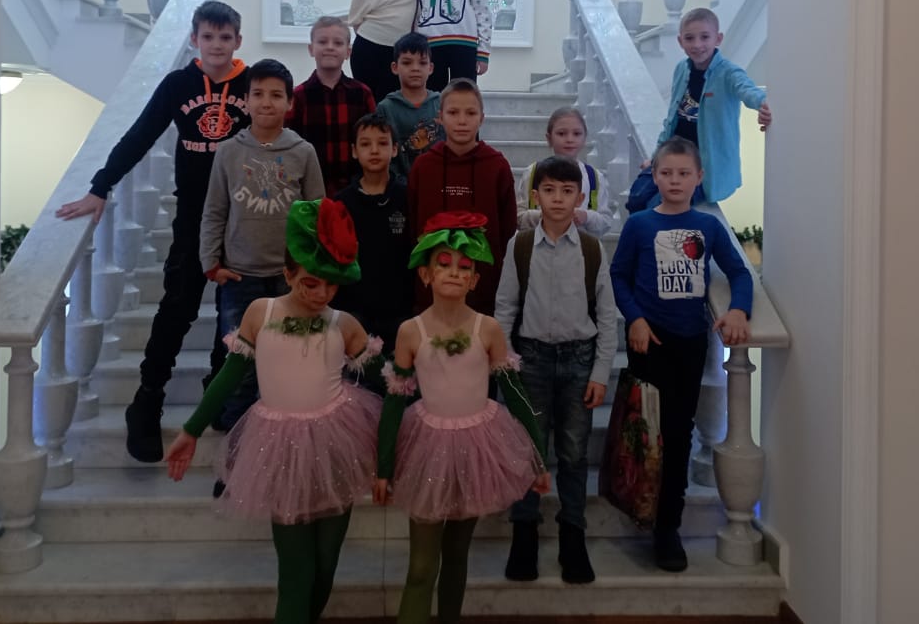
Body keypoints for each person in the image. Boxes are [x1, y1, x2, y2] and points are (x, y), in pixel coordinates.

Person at [167, 199, 382, 624]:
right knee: (297, 571)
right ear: (287, 273)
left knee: (324, 567)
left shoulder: (344, 324)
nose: (321, 295)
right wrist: (191, 430)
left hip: (336, 446)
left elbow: (388, 383)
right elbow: (229, 377)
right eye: (310, 283)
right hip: (281, 449)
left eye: (331, 286)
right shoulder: (260, 313)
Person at [55, 0, 250, 464]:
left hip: (243, 217)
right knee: (178, 307)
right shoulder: (178, 84)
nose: (216, 45)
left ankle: (218, 391)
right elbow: (141, 134)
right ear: (194, 40)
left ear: (237, 41)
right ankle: (147, 399)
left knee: (234, 310)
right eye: (208, 37)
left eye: (225, 37)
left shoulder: (251, 84)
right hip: (193, 218)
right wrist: (100, 186)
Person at [375, 212, 549, 624]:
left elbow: (515, 395)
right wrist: (383, 467)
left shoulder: (488, 329)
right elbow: (394, 403)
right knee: (422, 566)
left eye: (464, 267)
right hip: (428, 449)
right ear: (426, 274)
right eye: (444, 263)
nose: (454, 272)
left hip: (476, 449)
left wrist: (538, 456)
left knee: (456, 556)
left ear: (474, 280)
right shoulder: (411, 331)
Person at [609, 137, 752, 573]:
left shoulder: (708, 227)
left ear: (698, 178)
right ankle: (640, 505)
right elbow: (618, 276)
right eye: (667, 173)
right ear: (654, 176)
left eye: (684, 173)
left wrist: (738, 310)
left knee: (678, 435)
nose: (675, 180)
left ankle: (667, 527)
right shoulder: (639, 225)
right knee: (645, 432)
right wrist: (634, 318)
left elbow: (740, 272)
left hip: (690, 344)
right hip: (647, 341)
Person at [494, 156, 618, 584]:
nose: (558, 199)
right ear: (536, 196)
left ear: (580, 198)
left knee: (573, 452)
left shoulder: (591, 248)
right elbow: (505, 308)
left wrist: (599, 373)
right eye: (549, 190)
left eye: (567, 192)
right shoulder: (520, 245)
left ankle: (572, 535)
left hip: (579, 362)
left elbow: (607, 316)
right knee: (529, 449)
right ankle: (524, 533)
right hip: (530, 360)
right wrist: (507, 364)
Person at [201, 58, 326, 431]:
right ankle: (237, 448)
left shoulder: (303, 152)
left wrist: (312, 267)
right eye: (258, 94)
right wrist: (211, 262)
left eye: (275, 95)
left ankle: (281, 443)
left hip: (290, 280)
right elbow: (214, 211)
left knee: (288, 366)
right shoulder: (229, 152)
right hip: (240, 278)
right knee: (240, 370)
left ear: (290, 102)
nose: (266, 102)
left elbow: (318, 214)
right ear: (246, 100)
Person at [407, 78, 516, 315]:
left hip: (483, 287)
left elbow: (507, 230)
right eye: (453, 112)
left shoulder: (497, 166)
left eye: (470, 113)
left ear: (482, 118)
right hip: (431, 288)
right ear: (440, 117)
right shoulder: (423, 167)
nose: (462, 121)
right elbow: (413, 225)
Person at [655, 7, 772, 205]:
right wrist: (656, 156)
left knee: (662, 205)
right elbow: (671, 118)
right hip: (675, 156)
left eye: (705, 37)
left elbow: (747, 89)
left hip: (703, 169)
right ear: (680, 41)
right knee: (638, 197)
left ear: (718, 39)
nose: (697, 45)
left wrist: (763, 103)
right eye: (690, 38)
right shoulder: (681, 69)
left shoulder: (729, 73)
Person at [333, 112, 412, 387]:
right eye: (365, 144)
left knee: (399, 388)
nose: (374, 150)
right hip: (355, 312)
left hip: (401, 312)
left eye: (382, 143)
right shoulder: (341, 203)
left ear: (395, 148)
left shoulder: (408, 197)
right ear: (354, 151)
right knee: (358, 389)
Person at [287, 16, 376, 197]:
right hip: (311, 190)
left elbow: (373, 140)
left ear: (348, 52)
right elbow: (290, 145)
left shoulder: (363, 94)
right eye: (322, 42)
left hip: (356, 190)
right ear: (311, 49)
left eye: (338, 43)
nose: (330, 47)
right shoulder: (298, 96)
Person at [516, 106, 613, 237]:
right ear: (549, 138)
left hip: (581, 247)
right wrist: (543, 216)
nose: (569, 139)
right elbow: (518, 218)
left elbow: (606, 222)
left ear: (585, 138)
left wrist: (586, 216)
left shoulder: (594, 177)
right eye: (561, 134)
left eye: (577, 134)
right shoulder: (532, 173)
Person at [376, 32, 444, 180]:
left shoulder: (443, 104)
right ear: (395, 67)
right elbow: (383, 153)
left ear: (431, 68)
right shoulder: (385, 108)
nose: (415, 68)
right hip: (399, 187)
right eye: (407, 63)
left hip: (440, 182)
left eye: (422, 63)